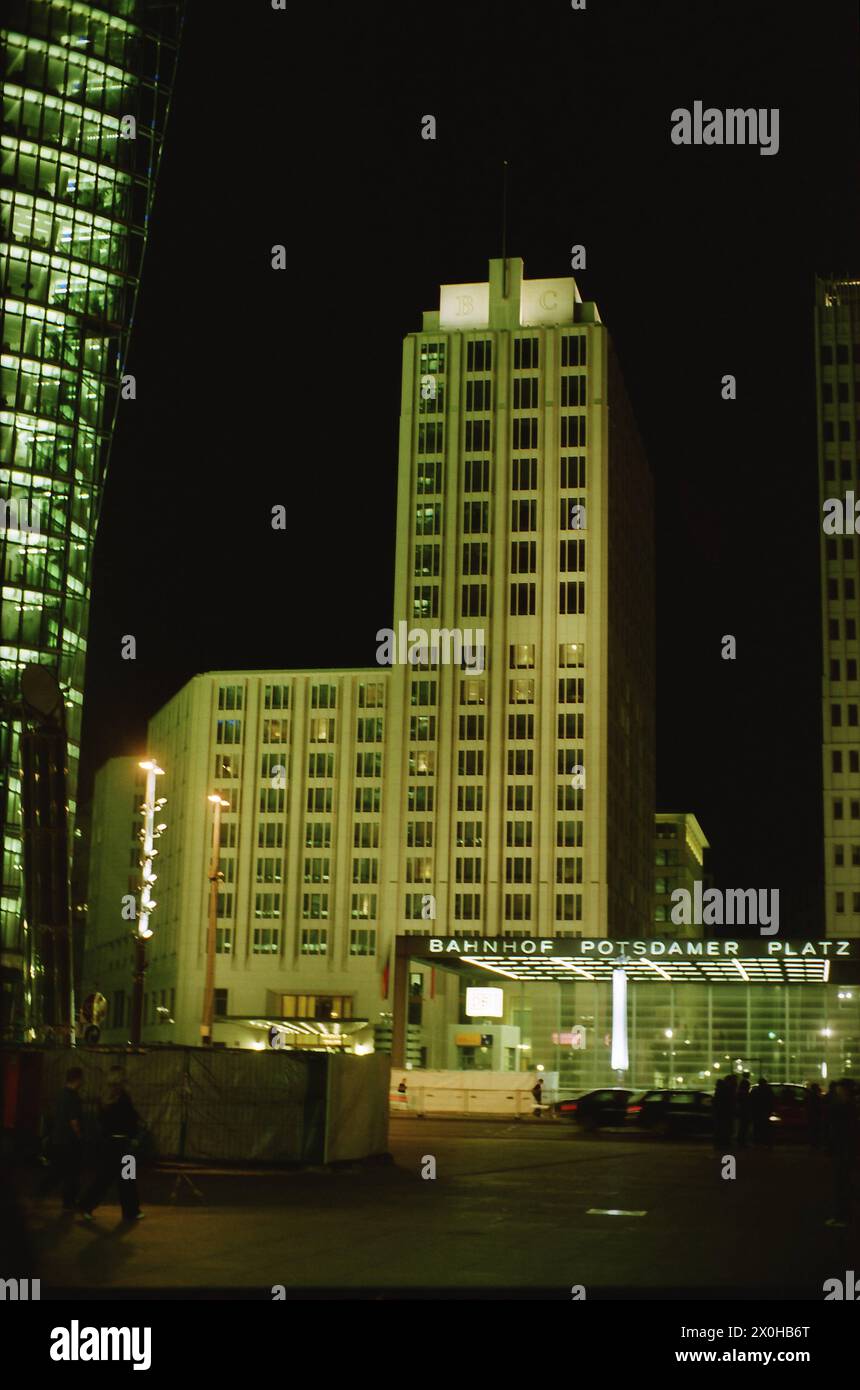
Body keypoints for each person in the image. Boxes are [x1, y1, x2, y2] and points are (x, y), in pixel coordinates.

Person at [79, 1069, 143, 1223]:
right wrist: (135, 1134)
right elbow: (132, 1120)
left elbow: (101, 1122)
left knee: (104, 1178)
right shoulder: (124, 1100)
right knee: (127, 1179)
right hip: (124, 1144)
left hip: (110, 1144)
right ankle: (131, 1211)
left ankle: (86, 1206)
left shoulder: (104, 1101)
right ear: (121, 1084)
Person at [38, 1066, 84, 1211]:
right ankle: (69, 1202)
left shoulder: (60, 1095)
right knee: (72, 1172)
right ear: (77, 1079)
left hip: (58, 1138)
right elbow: (74, 1120)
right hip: (69, 1140)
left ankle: (42, 1191)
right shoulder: (73, 1097)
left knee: (59, 1170)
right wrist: (79, 1136)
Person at [825, 1079, 857, 1228]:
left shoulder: (846, 1107)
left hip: (845, 1149)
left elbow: (843, 1128)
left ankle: (843, 1217)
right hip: (846, 1149)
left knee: (843, 1184)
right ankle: (842, 1215)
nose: (837, 1092)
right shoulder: (849, 1106)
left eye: (839, 1090)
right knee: (844, 1183)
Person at [750, 1076, 775, 1147]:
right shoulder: (768, 1091)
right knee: (766, 1127)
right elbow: (772, 1101)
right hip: (765, 1112)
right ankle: (765, 1141)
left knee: (757, 1127)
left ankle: (757, 1141)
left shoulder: (755, 1091)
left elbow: (751, 1102)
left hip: (757, 1112)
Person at [805, 1081, 823, 1151]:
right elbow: (819, 1107)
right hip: (815, 1116)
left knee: (813, 1130)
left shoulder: (809, 1096)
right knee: (815, 1130)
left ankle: (813, 1144)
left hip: (812, 1116)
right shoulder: (815, 1096)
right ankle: (815, 1144)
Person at [736, 1073, 751, 1148]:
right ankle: (742, 1142)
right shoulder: (745, 1094)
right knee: (743, 1127)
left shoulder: (740, 1093)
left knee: (742, 1127)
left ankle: (741, 1141)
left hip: (742, 1112)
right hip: (744, 1112)